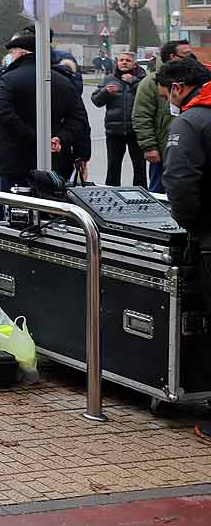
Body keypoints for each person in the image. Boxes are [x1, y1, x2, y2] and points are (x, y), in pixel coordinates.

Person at [154, 57, 211, 444]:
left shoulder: (190, 122)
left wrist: (194, 226)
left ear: (177, 87)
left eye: (166, 96)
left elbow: (181, 182)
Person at [0, 33, 90, 199]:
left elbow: (3, 114)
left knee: (12, 207)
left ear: (22, 54)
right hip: (55, 158)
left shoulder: (9, 79)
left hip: (15, 158)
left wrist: (37, 139)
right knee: (51, 208)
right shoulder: (63, 80)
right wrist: (60, 138)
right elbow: (78, 118)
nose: (10, 57)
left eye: (12, 53)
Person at [135, 39, 193, 194]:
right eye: (186, 54)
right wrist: (150, 147)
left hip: (189, 151)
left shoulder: (194, 79)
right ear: (172, 57)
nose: (192, 57)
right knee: (159, 194)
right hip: (163, 151)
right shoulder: (151, 82)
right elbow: (141, 117)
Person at [91, 49, 147, 187]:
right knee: (113, 167)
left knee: (140, 167)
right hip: (114, 131)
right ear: (117, 62)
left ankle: (142, 195)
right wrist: (105, 92)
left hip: (136, 130)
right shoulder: (108, 79)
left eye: (128, 60)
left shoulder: (142, 79)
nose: (124, 63)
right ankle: (111, 193)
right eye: (121, 60)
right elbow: (97, 101)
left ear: (134, 64)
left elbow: (148, 97)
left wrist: (133, 81)